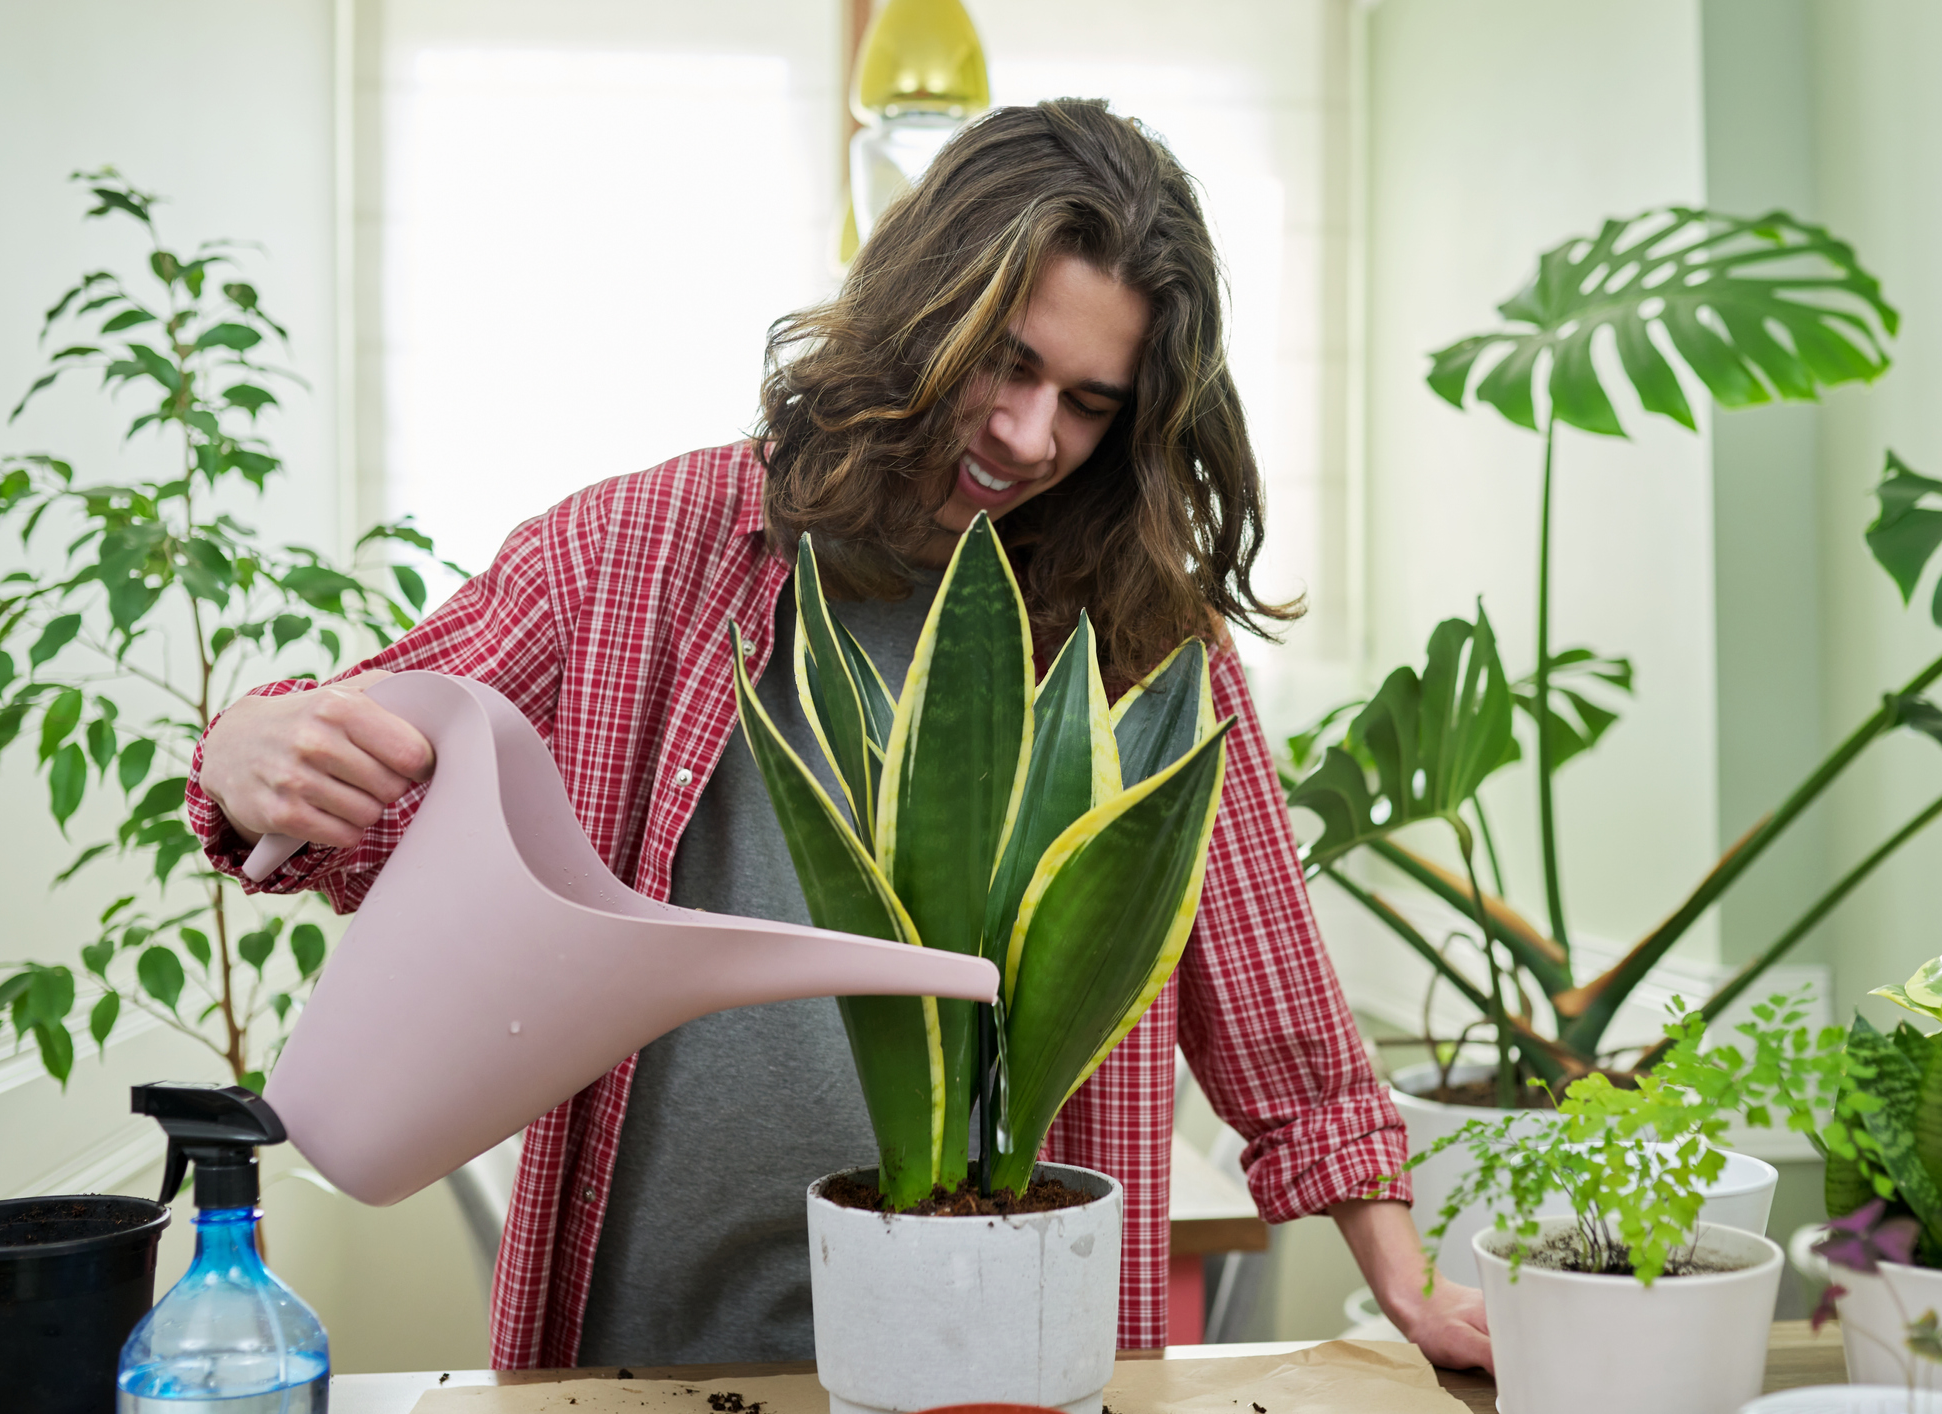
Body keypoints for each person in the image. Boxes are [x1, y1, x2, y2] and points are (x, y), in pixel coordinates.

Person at [188, 99, 1491, 1373]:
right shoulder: (637, 551)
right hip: (651, 1343)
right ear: (920, 309)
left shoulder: (1143, 638)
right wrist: (246, 750)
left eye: (1089, 403)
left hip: (1001, 1346)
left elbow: (1278, 1013)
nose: (1030, 435)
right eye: (1007, 361)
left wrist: (1412, 1285)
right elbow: (363, 778)